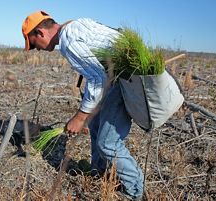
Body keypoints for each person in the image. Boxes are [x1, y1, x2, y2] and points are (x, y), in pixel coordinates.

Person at [22, 10, 143, 200]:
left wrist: (79, 117)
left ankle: (135, 192)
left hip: (125, 80)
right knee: (94, 125)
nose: (36, 49)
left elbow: (98, 79)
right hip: (118, 79)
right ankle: (99, 172)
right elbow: (97, 75)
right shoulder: (74, 28)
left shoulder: (69, 40)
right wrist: (86, 116)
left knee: (107, 143)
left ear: (40, 33)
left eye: (33, 44)